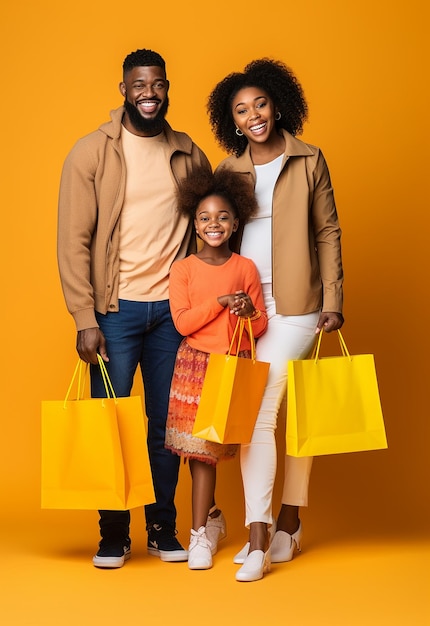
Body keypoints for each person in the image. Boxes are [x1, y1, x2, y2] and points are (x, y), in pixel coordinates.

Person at [57, 48, 211, 569]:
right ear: (123, 89)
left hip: (174, 312)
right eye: (139, 85)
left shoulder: (189, 153)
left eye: (158, 84)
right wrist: (85, 319)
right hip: (115, 312)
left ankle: (163, 527)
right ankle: (113, 532)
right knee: (113, 423)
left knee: (167, 425)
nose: (150, 93)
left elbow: (211, 230)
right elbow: (73, 242)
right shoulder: (90, 153)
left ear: (168, 88)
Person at [207, 58, 344, 582]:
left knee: (262, 408)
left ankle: (259, 535)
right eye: (242, 110)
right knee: (270, 415)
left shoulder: (310, 160)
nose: (254, 116)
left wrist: (333, 297)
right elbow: (216, 236)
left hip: (297, 306)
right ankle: (286, 523)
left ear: (278, 103)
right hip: (246, 308)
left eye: (260, 103)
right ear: (232, 121)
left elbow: (328, 231)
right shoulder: (228, 171)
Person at [165, 167, 268, 569]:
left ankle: (228, 523)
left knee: (240, 448)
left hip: (234, 366)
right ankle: (199, 537)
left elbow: (258, 328)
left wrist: (248, 310)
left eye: (223, 217)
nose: (214, 224)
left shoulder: (245, 267)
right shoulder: (184, 269)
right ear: (194, 223)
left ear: (236, 221)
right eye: (205, 218)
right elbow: (183, 323)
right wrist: (223, 301)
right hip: (195, 367)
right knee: (201, 455)